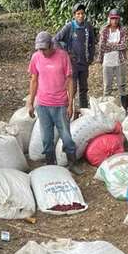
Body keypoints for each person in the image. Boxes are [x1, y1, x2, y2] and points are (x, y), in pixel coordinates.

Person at [26, 31, 83, 175]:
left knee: (66, 137)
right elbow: (34, 80)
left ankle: (72, 162)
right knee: (46, 138)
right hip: (43, 105)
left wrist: (71, 104)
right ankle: (51, 164)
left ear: (52, 45)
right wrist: (30, 102)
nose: (42, 52)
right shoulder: (36, 57)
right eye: (40, 49)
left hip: (60, 104)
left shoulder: (63, 56)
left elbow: (70, 80)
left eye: (45, 48)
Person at [54, 3, 95, 111]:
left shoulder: (88, 26)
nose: (81, 16)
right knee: (72, 88)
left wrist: (91, 57)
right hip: (72, 64)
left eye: (82, 13)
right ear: (74, 15)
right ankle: (69, 109)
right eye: (78, 14)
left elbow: (92, 42)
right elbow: (55, 40)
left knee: (84, 88)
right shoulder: (69, 27)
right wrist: (65, 53)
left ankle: (84, 111)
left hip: (84, 63)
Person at [98, 8, 128, 112]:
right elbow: (102, 46)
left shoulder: (123, 30)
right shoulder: (104, 30)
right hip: (107, 62)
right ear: (109, 19)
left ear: (119, 19)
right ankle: (106, 110)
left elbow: (124, 45)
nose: (114, 21)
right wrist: (117, 45)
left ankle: (124, 109)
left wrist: (110, 45)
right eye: (112, 19)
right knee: (107, 86)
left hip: (120, 61)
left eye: (116, 19)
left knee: (122, 86)